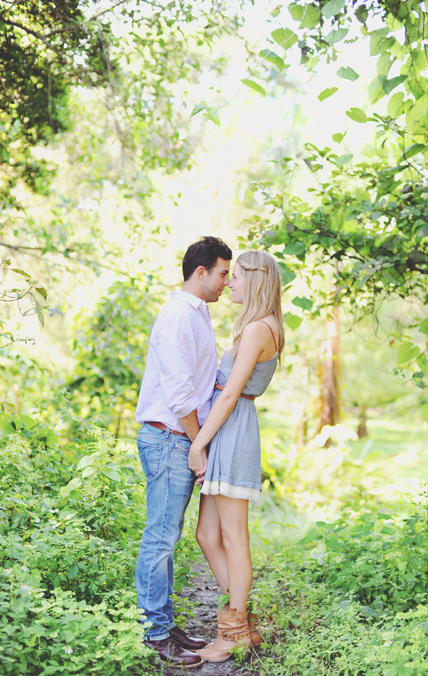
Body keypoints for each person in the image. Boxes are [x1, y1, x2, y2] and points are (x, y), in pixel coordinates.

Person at [134, 235, 233, 668]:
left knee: (167, 537)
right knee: (160, 537)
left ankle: (166, 625)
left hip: (179, 438)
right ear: (201, 272)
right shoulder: (179, 315)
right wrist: (197, 443)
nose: (227, 283)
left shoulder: (197, 315)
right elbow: (178, 393)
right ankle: (155, 634)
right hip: (171, 438)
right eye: (223, 273)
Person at [187, 250, 285, 663]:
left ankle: (233, 630)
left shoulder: (260, 329)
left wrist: (198, 443)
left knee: (233, 537)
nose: (230, 283)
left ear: (257, 280)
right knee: (207, 536)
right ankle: (242, 623)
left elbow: (229, 394)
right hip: (227, 431)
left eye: (238, 277)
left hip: (234, 431)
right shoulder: (256, 326)